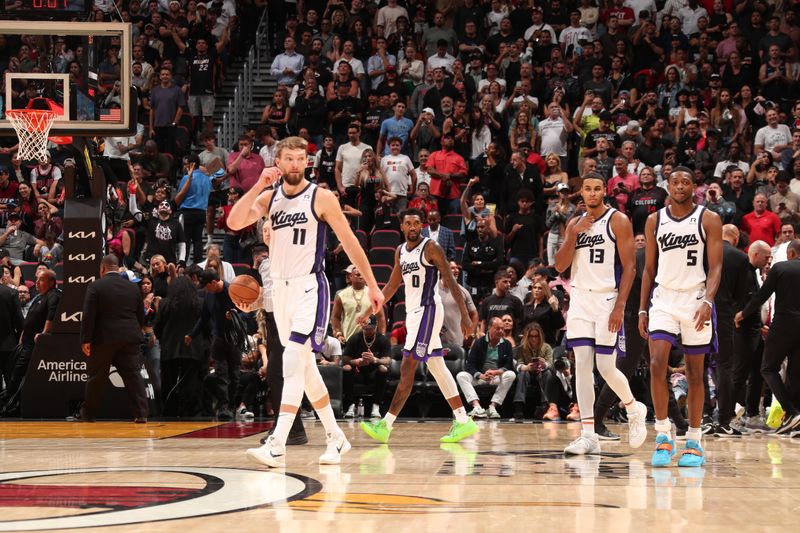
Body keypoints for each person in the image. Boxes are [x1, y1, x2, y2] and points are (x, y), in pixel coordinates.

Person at [228, 136, 383, 467]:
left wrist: (373, 285)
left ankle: (277, 443)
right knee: (306, 369)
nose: (296, 164)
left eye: (301, 159)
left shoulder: (321, 197)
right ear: (279, 162)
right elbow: (234, 221)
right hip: (280, 291)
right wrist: (257, 185)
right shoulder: (270, 198)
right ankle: (336, 438)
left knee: (293, 360)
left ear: (307, 163)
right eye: (289, 159)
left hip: (310, 288)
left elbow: (351, 242)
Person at [360, 209, 476, 444]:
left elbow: (451, 281)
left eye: (416, 223)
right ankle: (463, 420)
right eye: (408, 224)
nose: (413, 227)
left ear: (421, 226)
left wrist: (465, 316)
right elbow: (392, 286)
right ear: (401, 227)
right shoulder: (400, 251)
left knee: (407, 367)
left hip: (429, 310)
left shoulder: (431, 247)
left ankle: (386, 424)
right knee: (437, 367)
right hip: (413, 315)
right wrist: (368, 310)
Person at [554, 171, 647, 455]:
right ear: (580, 193)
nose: (592, 194)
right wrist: (572, 233)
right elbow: (559, 266)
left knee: (606, 367)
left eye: (597, 189)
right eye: (587, 189)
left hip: (607, 298)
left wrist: (620, 304)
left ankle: (633, 408)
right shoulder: (574, 224)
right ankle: (588, 435)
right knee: (582, 364)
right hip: (580, 298)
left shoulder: (617, 220)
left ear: (603, 192)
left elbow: (630, 266)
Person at [639, 167, 723, 467]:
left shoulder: (709, 218)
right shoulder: (654, 220)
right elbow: (648, 269)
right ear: (668, 186)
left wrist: (708, 301)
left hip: (695, 298)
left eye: (686, 182)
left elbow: (715, 267)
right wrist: (643, 308)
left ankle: (695, 439)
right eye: (674, 181)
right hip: (663, 297)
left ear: (694, 187)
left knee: (695, 372)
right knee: (657, 363)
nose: (680, 186)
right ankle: (663, 435)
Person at [735, 239, 800, 435]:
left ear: (790, 254)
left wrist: (742, 314)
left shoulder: (780, 269)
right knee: (796, 374)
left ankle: (791, 412)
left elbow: (761, 296)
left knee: (767, 368)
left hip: (783, 325)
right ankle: (795, 420)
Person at [78, 255, 148, 423]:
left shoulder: (95, 286)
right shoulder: (133, 288)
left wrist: (85, 339)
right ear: (117, 268)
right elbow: (140, 315)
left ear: (102, 268)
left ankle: (88, 414)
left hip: (104, 338)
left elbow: (88, 315)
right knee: (133, 376)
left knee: (97, 377)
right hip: (130, 337)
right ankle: (141, 414)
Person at [1, 269, 59, 415]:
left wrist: (45, 333)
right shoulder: (40, 297)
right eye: (37, 280)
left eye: (41, 280)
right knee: (15, 374)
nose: (37, 283)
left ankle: (8, 405)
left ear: (51, 282)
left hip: (34, 346)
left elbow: (52, 313)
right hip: (25, 343)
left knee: (17, 376)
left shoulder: (54, 295)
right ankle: (9, 403)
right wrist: (23, 333)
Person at [457, 316, 516, 419]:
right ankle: (477, 407)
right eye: (498, 328)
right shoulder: (479, 342)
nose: (501, 331)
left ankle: (492, 407)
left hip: (496, 378)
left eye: (502, 328)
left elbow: (508, 365)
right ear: (490, 328)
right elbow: (470, 365)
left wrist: (496, 372)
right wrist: (481, 375)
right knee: (461, 376)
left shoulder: (506, 344)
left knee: (511, 374)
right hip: (480, 377)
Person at [341, 314, 391, 419]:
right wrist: (357, 361)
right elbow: (344, 358)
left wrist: (375, 360)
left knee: (383, 368)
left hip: (373, 372)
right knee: (347, 368)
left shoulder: (382, 340)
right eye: (366, 328)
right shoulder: (355, 338)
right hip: (358, 371)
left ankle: (376, 406)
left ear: (376, 326)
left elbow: (388, 360)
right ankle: (350, 406)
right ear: (362, 327)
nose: (368, 331)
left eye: (371, 329)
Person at [0, 281, 23, 401]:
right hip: (8, 343)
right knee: (10, 379)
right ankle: (9, 407)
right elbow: (19, 319)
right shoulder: (11, 292)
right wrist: (21, 338)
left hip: (8, 343)